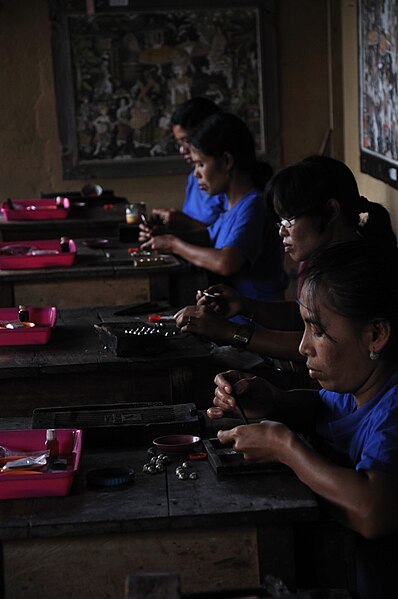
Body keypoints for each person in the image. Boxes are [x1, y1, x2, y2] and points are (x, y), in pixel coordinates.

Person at [208, 240, 398, 599]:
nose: (303, 347)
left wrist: (285, 447)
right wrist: (272, 401)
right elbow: (325, 409)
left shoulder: (393, 408)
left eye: (318, 331)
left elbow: (374, 513)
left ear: (375, 334)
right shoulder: (353, 385)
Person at [174, 155, 397, 361]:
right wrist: (245, 305)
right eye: (279, 222)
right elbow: (309, 319)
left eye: (288, 219)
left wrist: (228, 331)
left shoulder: (356, 272)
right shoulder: (323, 261)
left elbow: (320, 349)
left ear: (330, 211)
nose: (281, 231)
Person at [140, 112, 287, 305]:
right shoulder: (231, 205)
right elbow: (209, 237)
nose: (196, 173)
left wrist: (174, 244)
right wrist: (162, 236)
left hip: (257, 319)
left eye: (201, 164)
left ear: (226, 161)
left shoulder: (253, 205)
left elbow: (226, 262)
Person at [147, 97, 227, 232]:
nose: (182, 150)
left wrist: (183, 224)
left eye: (187, 140)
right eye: (180, 143)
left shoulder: (227, 183)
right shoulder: (194, 178)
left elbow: (225, 243)